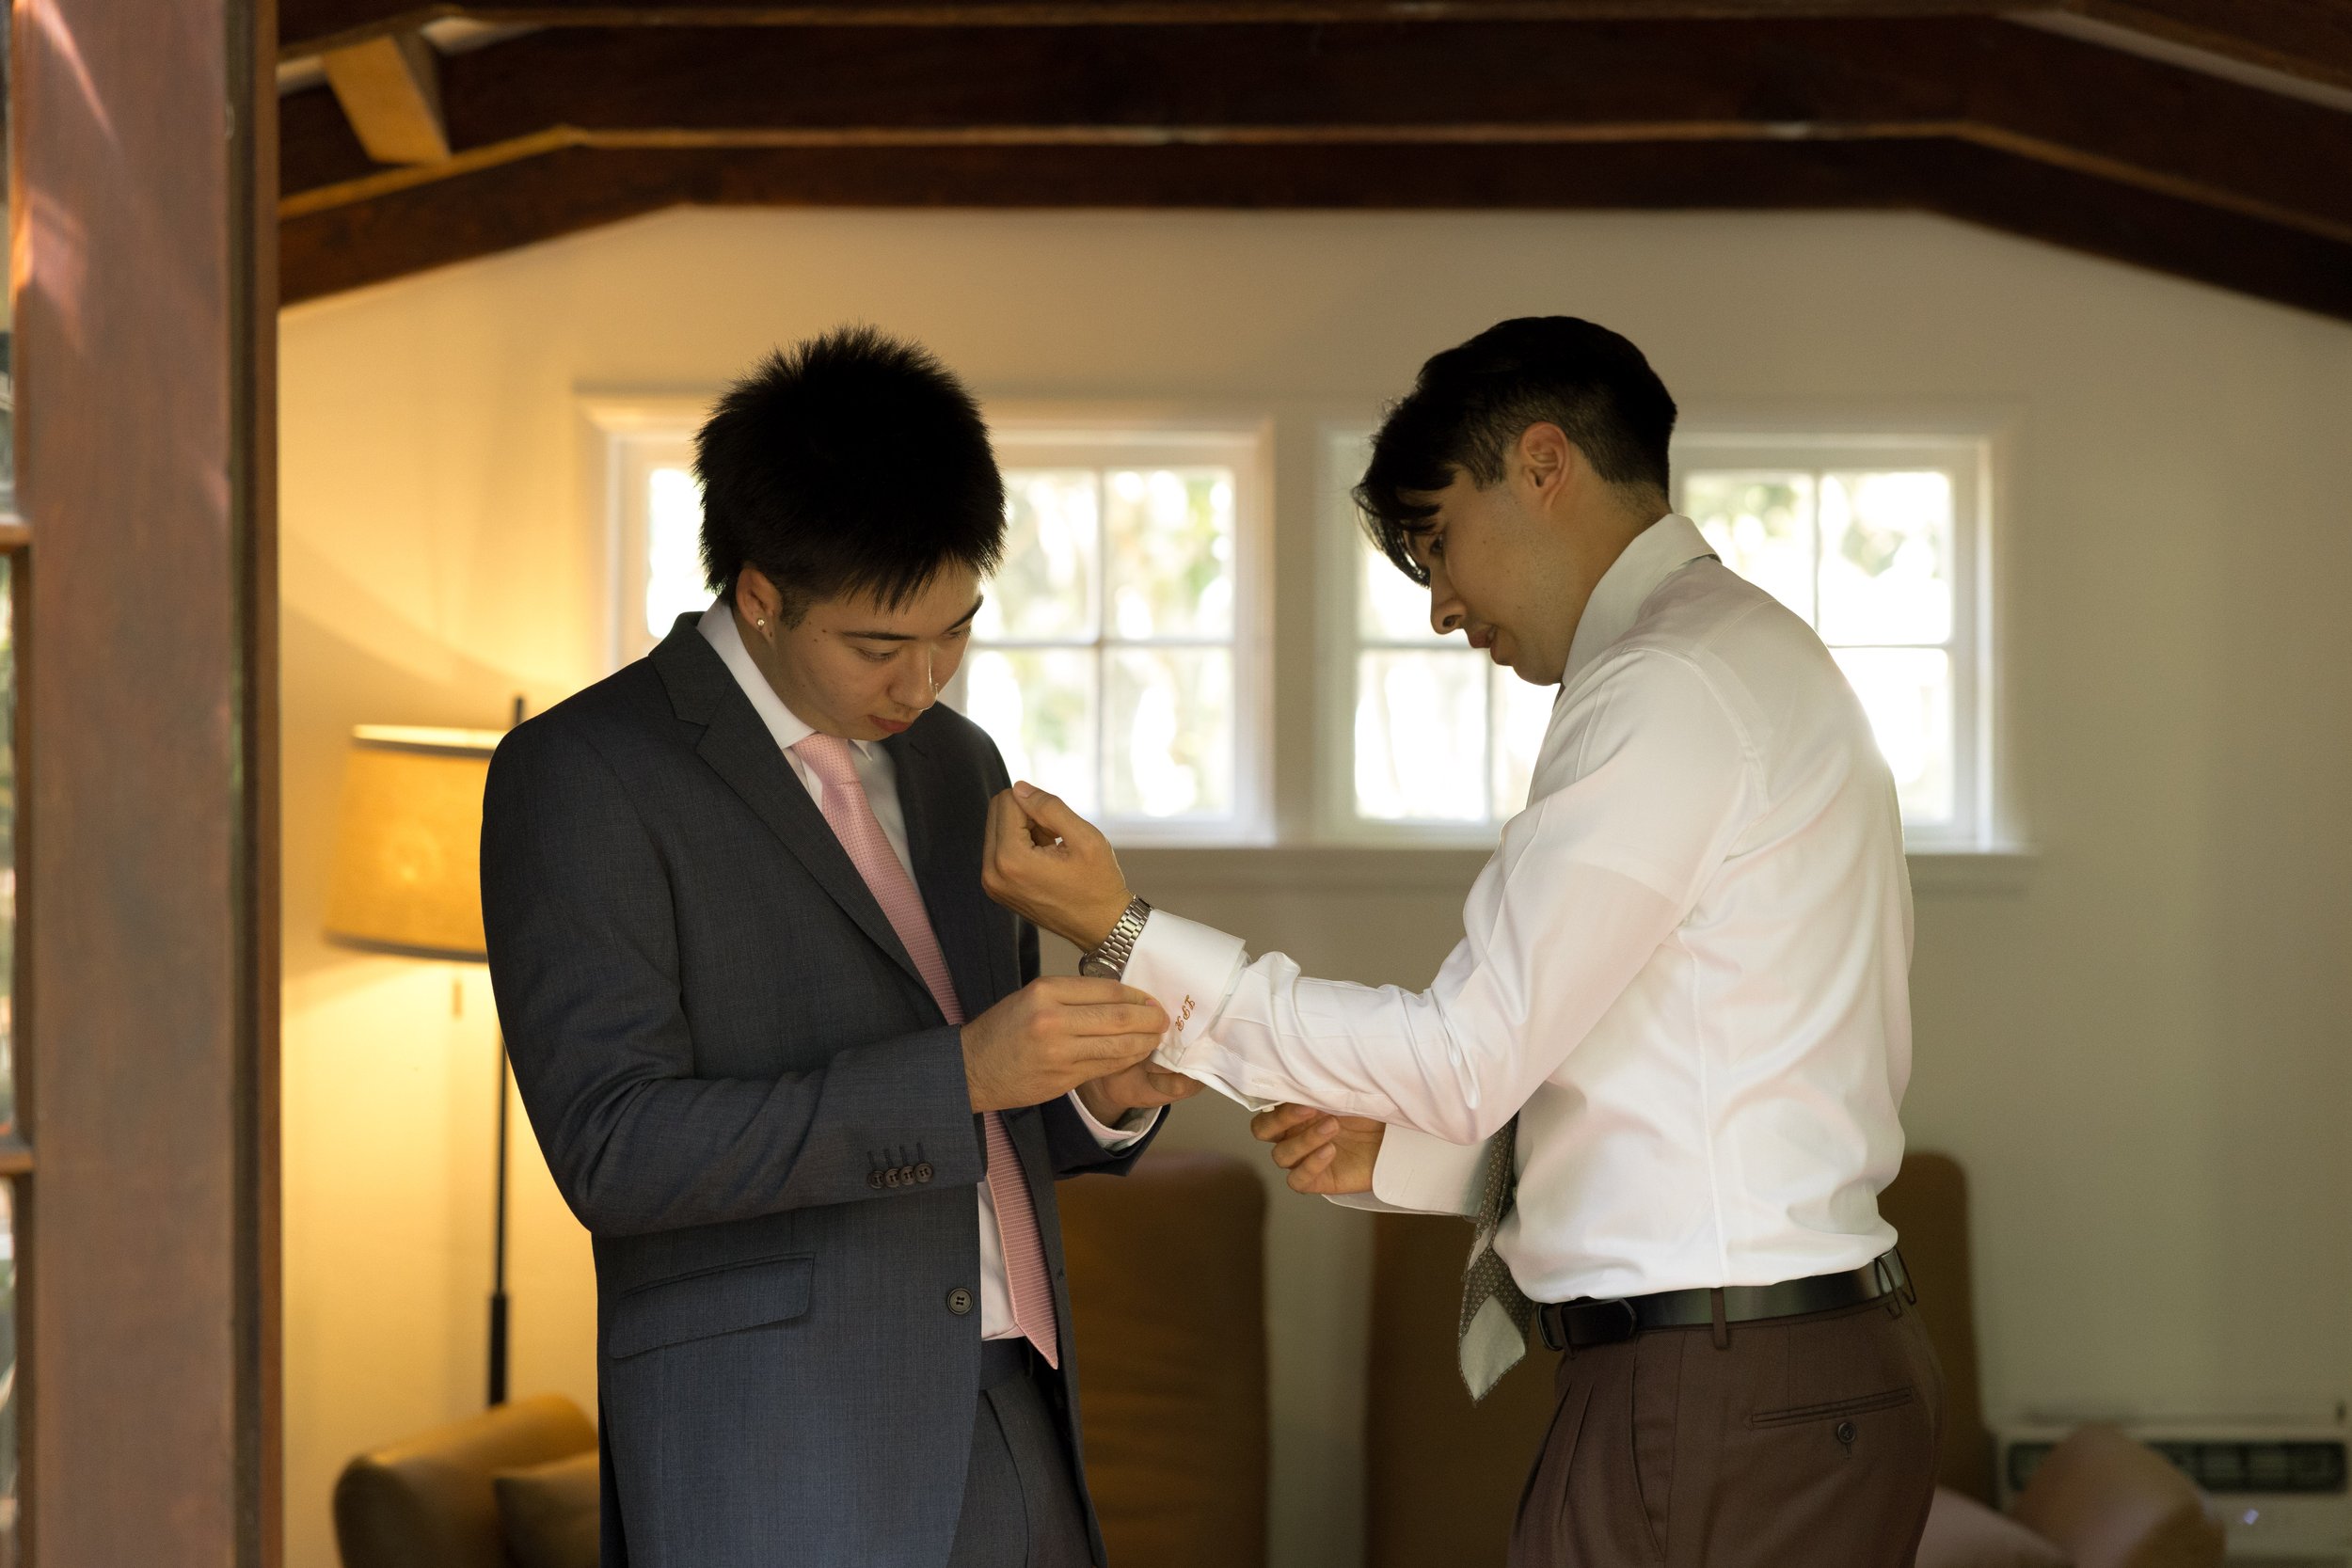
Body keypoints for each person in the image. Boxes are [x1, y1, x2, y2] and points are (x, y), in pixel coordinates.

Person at [980, 316, 1944, 1566]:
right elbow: (1685, 1080)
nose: (1440, 607)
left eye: (1439, 544)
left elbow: (1464, 1056)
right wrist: (1426, 1162)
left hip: (1720, 1386)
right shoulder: (1737, 660)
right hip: (1769, 1372)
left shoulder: (1670, 686)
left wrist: (1122, 933)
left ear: (1542, 465)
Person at [481, 326, 1198, 1568]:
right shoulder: (582, 772)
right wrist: (961, 1074)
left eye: (957, 631)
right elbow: (616, 1150)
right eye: (878, 645)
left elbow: (985, 1101)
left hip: (1022, 1417)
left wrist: (1094, 1100)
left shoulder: (954, 762)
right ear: (759, 593)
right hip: (774, 1449)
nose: (924, 679)